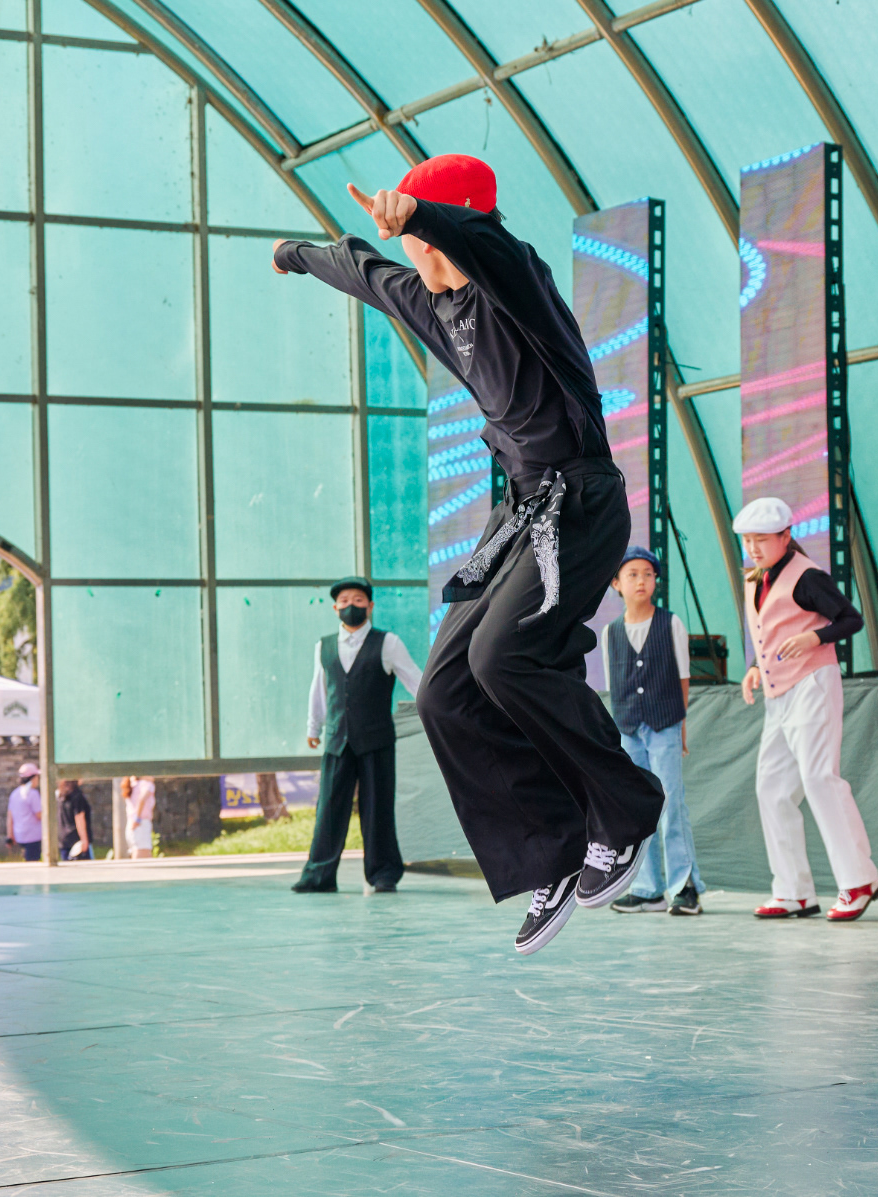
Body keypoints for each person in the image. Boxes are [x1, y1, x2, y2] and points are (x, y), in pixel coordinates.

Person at [272, 155, 665, 954]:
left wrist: (420, 213)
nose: (409, 250)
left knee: (503, 654)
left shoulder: (518, 286)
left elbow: (489, 243)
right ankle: (551, 848)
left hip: (580, 502)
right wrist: (295, 255)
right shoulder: (429, 301)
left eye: (417, 232)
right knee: (446, 688)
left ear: (441, 226)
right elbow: (363, 270)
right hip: (520, 513)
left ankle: (624, 808)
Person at [735, 498, 878, 923]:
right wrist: (755, 667)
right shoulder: (757, 578)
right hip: (778, 694)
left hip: (813, 684)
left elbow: (851, 619)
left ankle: (859, 880)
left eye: (762, 539)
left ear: (786, 536)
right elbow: (769, 630)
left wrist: (815, 638)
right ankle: (793, 891)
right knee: (772, 789)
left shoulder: (808, 576)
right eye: (748, 540)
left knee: (820, 778)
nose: (754, 548)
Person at [295, 577, 421, 894]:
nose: (351, 606)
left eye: (358, 600)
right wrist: (313, 727)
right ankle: (318, 875)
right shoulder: (323, 646)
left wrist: (437, 714)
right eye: (345, 601)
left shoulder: (388, 642)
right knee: (328, 809)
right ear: (335, 608)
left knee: (378, 808)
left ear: (370, 606)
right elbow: (319, 689)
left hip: (376, 740)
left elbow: (416, 680)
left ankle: (383, 874)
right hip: (337, 739)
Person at [601, 547, 704, 916]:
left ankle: (684, 886)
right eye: (632, 574)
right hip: (629, 729)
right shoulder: (610, 633)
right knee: (637, 808)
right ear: (616, 584)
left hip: (665, 726)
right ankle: (647, 889)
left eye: (648, 574)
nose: (641, 581)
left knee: (671, 803)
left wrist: (681, 727)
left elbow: (683, 679)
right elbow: (614, 686)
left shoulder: (671, 624)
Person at [6, 762, 42, 862]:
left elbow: (10, 817)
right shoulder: (33, 794)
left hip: (20, 836)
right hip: (33, 836)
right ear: (33, 778)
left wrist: (10, 835)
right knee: (33, 863)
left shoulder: (14, 794)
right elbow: (39, 815)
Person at [58, 779, 92, 861]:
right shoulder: (77, 795)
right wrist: (84, 840)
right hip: (77, 842)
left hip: (64, 839)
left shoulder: (61, 794)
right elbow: (79, 818)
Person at [127, 776, 155, 859]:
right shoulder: (147, 784)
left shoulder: (134, 784)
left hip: (131, 823)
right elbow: (142, 799)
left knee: (144, 855)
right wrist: (137, 819)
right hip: (140, 823)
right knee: (141, 856)